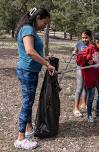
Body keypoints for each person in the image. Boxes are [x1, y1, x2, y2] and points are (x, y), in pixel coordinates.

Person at [14, 8, 55, 149]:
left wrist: (43, 58)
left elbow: (33, 52)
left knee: (28, 102)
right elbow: (29, 51)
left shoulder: (29, 29)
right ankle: (20, 138)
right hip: (27, 72)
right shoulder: (27, 30)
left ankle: (29, 129)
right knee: (27, 103)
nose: (45, 25)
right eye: (45, 22)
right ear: (38, 17)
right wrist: (47, 64)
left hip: (29, 71)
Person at [76, 32, 99, 123]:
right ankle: (89, 114)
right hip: (90, 78)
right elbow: (79, 59)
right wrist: (87, 59)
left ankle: (98, 110)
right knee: (90, 97)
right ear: (97, 41)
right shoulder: (89, 49)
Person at [72, 30, 92, 117]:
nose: (84, 39)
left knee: (86, 87)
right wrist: (74, 52)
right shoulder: (79, 43)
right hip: (80, 68)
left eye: (86, 37)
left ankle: (84, 103)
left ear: (90, 37)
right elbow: (75, 51)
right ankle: (75, 108)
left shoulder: (92, 45)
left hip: (88, 69)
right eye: (83, 37)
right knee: (79, 87)